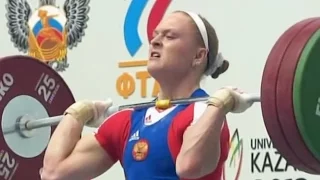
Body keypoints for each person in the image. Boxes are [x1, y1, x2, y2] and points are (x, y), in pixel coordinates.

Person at [40, 10, 253, 180]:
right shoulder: (128, 120)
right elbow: (54, 173)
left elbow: (189, 166)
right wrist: (77, 113)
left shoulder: (202, 112)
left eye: (170, 36)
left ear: (198, 56)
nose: (155, 42)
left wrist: (219, 105)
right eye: (155, 36)